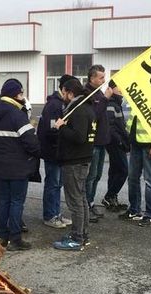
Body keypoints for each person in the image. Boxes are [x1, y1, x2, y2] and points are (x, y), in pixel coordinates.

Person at [0, 80, 40, 251]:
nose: (23, 97)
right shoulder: (17, 114)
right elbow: (31, 141)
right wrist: (37, 151)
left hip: (0, 164)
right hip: (18, 166)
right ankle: (15, 239)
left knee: (3, 200)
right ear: (16, 94)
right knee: (16, 202)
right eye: (21, 94)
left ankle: (2, 236)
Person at [52, 78, 96, 250]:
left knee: (75, 201)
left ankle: (77, 238)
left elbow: (79, 137)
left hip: (75, 161)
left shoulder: (79, 110)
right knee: (81, 198)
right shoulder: (87, 108)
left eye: (63, 93)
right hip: (82, 159)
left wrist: (62, 127)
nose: (62, 96)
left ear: (70, 93)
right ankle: (82, 233)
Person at [37, 74, 75, 229]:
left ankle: (56, 213)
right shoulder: (54, 105)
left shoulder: (61, 103)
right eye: (71, 92)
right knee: (53, 183)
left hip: (59, 151)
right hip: (52, 151)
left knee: (58, 184)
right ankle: (50, 215)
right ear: (64, 89)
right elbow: (52, 130)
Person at [84, 65, 113, 222]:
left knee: (97, 175)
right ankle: (86, 206)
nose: (103, 80)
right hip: (93, 143)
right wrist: (105, 99)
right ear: (92, 78)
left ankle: (91, 201)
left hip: (102, 142)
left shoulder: (99, 93)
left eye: (104, 77)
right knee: (91, 175)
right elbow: (93, 115)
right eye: (101, 77)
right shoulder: (88, 94)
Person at [120, 115, 151, 227]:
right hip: (135, 144)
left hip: (149, 145)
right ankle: (134, 210)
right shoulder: (139, 98)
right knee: (132, 178)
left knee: (150, 181)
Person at [101, 80, 130, 212]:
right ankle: (109, 196)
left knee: (114, 171)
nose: (122, 90)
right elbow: (111, 127)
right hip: (115, 144)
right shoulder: (111, 104)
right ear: (111, 89)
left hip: (118, 143)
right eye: (119, 87)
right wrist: (119, 141)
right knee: (123, 170)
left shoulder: (116, 104)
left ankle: (112, 199)